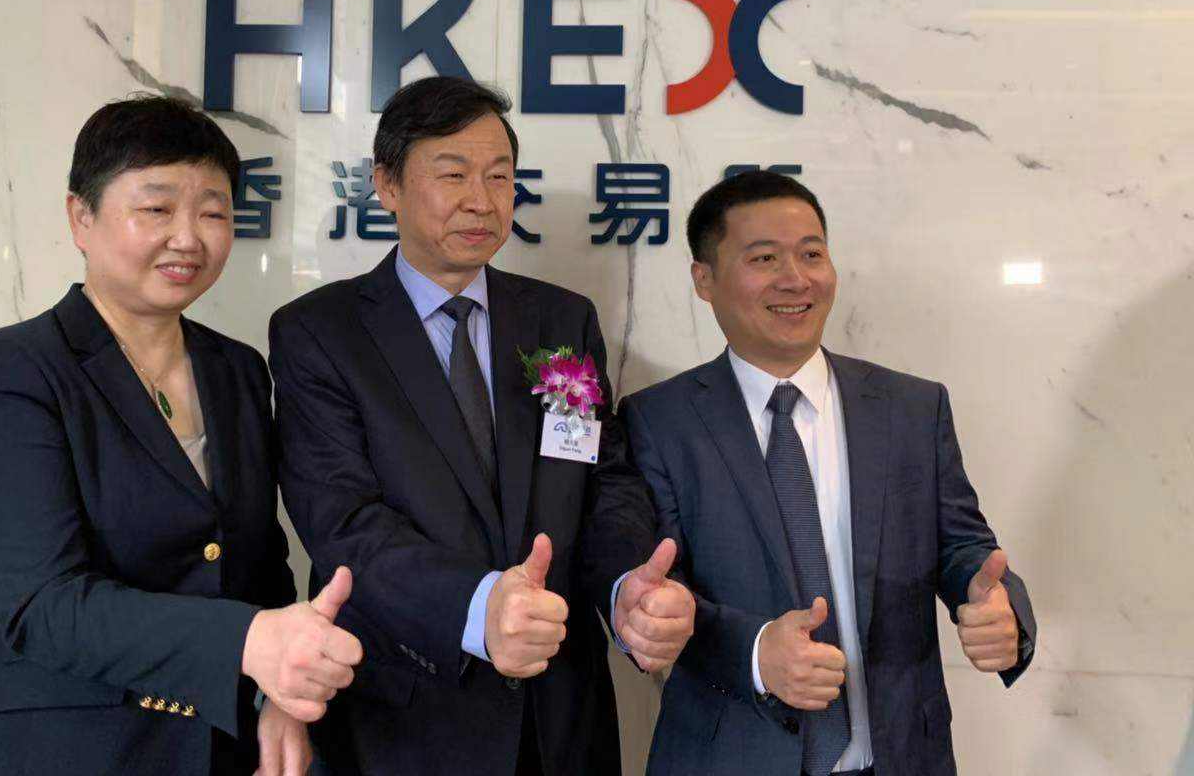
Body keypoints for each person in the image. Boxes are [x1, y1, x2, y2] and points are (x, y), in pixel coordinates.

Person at [268, 76, 696, 775]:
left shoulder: (561, 320)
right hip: (407, 719)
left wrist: (627, 588)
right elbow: (341, 519)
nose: (481, 200)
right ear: (387, 185)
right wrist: (478, 606)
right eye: (453, 174)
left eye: (500, 176)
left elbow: (600, 481)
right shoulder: (321, 333)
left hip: (561, 718)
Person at [0, 95, 362, 776]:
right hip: (59, 754)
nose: (188, 237)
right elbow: (43, 606)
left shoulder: (237, 370)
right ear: (81, 216)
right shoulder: (13, 370)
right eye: (157, 209)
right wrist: (249, 641)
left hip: (219, 750)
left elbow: (258, 566)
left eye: (213, 213)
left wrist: (280, 693)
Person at [623, 169, 1036, 776]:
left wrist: (1000, 605)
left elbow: (963, 547)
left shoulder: (911, 408)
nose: (796, 279)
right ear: (704, 280)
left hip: (898, 758)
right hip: (729, 757)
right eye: (764, 258)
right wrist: (756, 654)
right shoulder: (658, 420)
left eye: (811, 254)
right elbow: (659, 595)